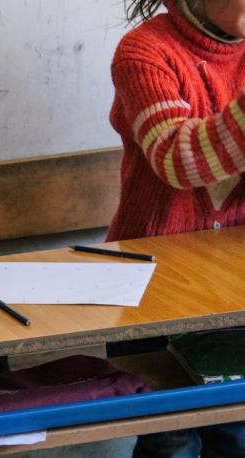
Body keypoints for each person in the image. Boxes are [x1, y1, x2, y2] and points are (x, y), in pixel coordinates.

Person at [107, 0, 245, 456]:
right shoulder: (144, 51)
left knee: (237, 433)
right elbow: (176, 160)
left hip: (235, 294)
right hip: (150, 292)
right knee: (171, 440)